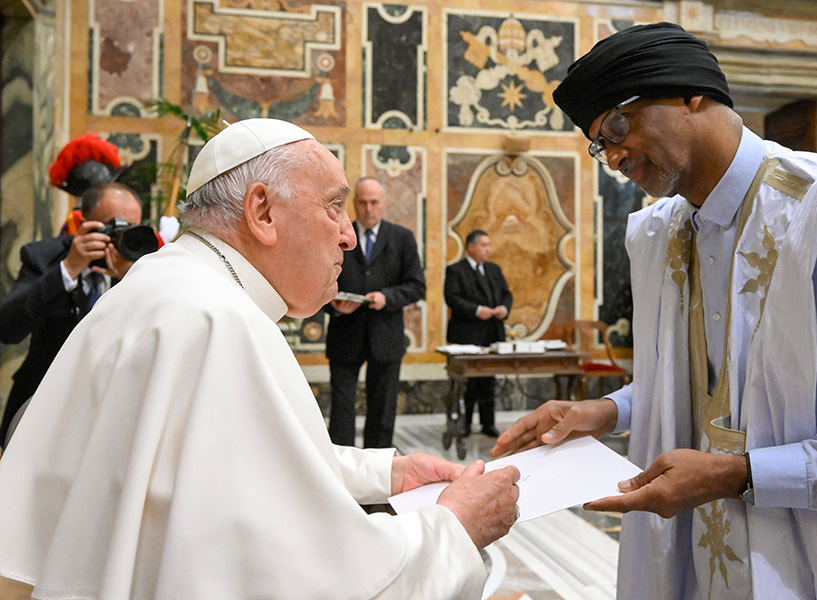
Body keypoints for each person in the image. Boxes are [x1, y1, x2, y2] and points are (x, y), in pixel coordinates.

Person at [492, 22, 817, 600]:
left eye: (619, 125)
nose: (615, 154)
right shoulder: (662, 232)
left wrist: (741, 475)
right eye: (600, 143)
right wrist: (606, 410)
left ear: (688, 93)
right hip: (705, 565)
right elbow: (722, 390)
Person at [0, 118, 521, 599]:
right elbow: (311, 574)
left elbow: (223, 463)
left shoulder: (168, 282)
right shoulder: (221, 321)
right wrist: (453, 528)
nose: (346, 235)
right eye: (333, 207)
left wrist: (385, 473)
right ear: (263, 212)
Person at [0, 182, 146, 448]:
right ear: (83, 221)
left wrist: (131, 280)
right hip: (40, 407)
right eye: (112, 227)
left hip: (110, 415)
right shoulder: (44, 257)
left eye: (130, 228)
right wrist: (68, 269)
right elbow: (8, 328)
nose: (120, 238)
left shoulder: (144, 266)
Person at [324, 177, 425, 448]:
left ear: (384, 204)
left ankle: (378, 466)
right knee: (342, 407)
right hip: (345, 333)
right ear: (353, 203)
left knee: (383, 408)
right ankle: (342, 465)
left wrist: (387, 297)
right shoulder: (336, 235)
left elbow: (417, 286)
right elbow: (316, 281)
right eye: (362, 202)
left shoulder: (402, 238)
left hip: (386, 336)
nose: (368, 208)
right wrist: (332, 304)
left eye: (374, 202)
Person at [444, 230, 513, 437]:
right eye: (483, 245)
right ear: (471, 246)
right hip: (467, 334)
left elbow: (506, 294)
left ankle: (488, 423)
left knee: (488, 381)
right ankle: (465, 424)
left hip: (492, 333)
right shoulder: (456, 270)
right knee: (469, 383)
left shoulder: (493, 269)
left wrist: (504, 308)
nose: (487, 249)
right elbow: (452, 298)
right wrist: (477, 310)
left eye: (489, 245)